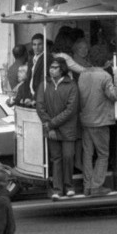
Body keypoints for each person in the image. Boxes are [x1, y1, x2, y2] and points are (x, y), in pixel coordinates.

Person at [78, 45, 117, 197]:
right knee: (103, 154)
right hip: (101, 121)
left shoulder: (83, 74)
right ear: (106, 61)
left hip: (85, 120)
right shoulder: (105, 76)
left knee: (87, 154)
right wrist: (116, 77)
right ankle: (96, 185)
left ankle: (87, 185)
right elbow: (115, 95)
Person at [36, 57, 80, 199]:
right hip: (52, 129)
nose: (51, 70)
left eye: (55, 67)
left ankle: (69, 187)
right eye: (51, 67)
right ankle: (57, 189)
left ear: (62, 69)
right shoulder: (44, 85)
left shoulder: (72, 85)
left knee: (68, 157)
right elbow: (40, 107)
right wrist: (50, 127)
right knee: (56, 158)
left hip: (67, 129)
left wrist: (51, 124)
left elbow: (71, 109)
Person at [12, 33, 46, 107]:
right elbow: (29, 79)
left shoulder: (47, 58)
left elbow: (43, 81)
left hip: (39, 98)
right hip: (30, 97)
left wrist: (34, 98)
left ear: (44, 45)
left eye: (39, 44)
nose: (36, 47)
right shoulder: (32, 59)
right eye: (34, 44)